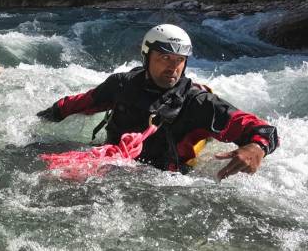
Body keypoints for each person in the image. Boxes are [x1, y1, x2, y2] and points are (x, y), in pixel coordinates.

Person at [37, 24, 279, 179]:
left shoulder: (198, 102)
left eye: (179, 60)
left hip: (167, 182)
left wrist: (256, 147)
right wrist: (43, 117)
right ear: (146, 56)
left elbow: (262, 130)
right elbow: (77, 103)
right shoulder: (122, 84)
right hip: (115, 166)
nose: (173, 67)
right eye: (164, 58)